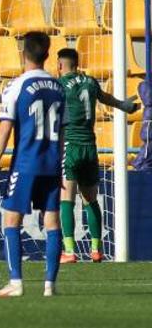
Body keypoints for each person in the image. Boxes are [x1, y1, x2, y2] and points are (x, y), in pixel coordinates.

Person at [0, 31, 64, 297]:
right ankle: (50, 285)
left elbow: (5, 130)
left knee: (11, 221)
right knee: (52, 222)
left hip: (26, 163)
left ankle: (15, 282)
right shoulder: (59, 88)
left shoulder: (16, 86)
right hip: (51, 164)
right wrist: (60, 165)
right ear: (48, 55)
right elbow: (62, 133)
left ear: (23, 53)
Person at [54, 48, 139, 263]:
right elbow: (105, 98)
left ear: (60, 65)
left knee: (67, 200)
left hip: (71, 146)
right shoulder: (91, 82)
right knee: (90, 199)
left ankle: (70, 251)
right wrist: (123, 105)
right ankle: (95, 249)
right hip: (91, 147)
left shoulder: (61, 85)